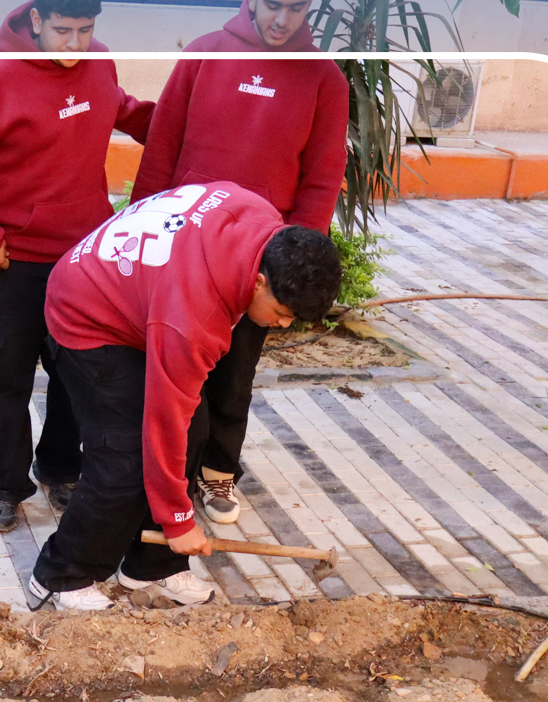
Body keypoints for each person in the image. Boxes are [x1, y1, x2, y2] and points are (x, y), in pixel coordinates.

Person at [28, 184, 342, 610]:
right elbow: (164, 421)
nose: (283, 326)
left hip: (145, 301)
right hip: (86, 314)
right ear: (260, 280)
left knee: (194, 432)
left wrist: (176, 517)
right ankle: (59, 574)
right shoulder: (196, 317)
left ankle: (152, 567)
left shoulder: (259, 217)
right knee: (124, 455)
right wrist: (179, 520)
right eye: (282, 313)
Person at [129, 0, 348, 525]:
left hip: (262, 262)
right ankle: (170, 470)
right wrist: (142, 230)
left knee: (235, 373)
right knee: (176, 364)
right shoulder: (204, 55)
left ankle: (219, 469)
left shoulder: (324, 80)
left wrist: (291, 264)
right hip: (184, 249)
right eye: (273, 5)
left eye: (296, 8)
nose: (282, 19)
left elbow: (321, 178)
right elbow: (162, 148)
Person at [0, 0, 152, 532]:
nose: (74, 44)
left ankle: (60, 469)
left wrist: (183, 117)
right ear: (35, 20)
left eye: (85, 30)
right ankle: (3, 487)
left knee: (76, 374)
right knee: (6, 380)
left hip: (81, 260)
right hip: (9, 262)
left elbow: (121, 108)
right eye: (62, 30)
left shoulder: (98, 62)